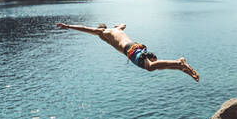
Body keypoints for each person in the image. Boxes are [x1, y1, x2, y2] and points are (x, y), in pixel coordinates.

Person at [56, 22, 200, 82]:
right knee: (153, 65)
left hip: (129, 50)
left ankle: (179, 63)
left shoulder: (103, 32)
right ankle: (180, 67)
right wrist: (119, 25)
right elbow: (124, 24)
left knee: (150, 67)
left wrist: (67, 26)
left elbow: (85, 28)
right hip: (136, 45)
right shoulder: (117, 29)